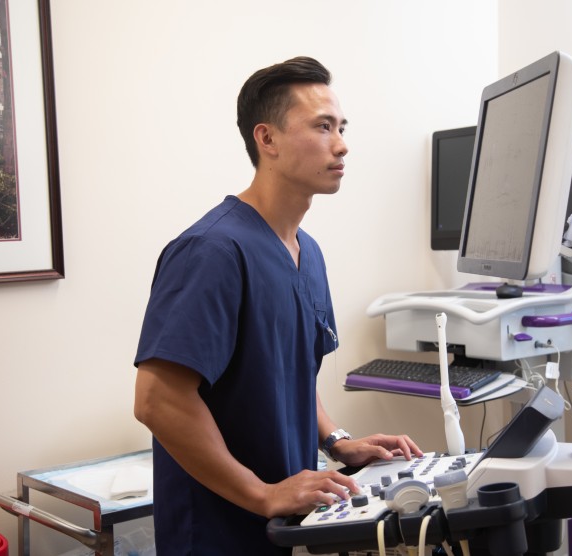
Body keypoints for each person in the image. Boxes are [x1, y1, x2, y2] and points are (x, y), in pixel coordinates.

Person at [133, 56, 423, 555]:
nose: (342, 144)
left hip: (278, 527)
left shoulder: (305, 252)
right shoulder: (212, 252)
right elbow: (158, 400)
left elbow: (290, 372)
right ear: (266, 139)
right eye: (323, 127)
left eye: (342, 127)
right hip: (216, 534)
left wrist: (336, 442)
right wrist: (262, 492)